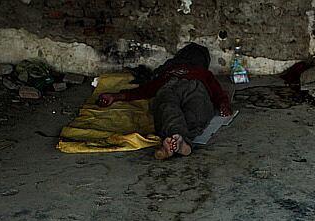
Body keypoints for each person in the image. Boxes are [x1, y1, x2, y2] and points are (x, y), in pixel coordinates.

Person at [97, 43, 233, 160]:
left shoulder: (203, 73)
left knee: (195, 112)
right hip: (172, 86)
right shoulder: (170, 70)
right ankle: (180, 141)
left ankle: (174, 139)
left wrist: (223, 104)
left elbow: (218, 92)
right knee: (168, 108)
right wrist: (116, 96)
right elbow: (146, 89)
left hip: (194, 88)